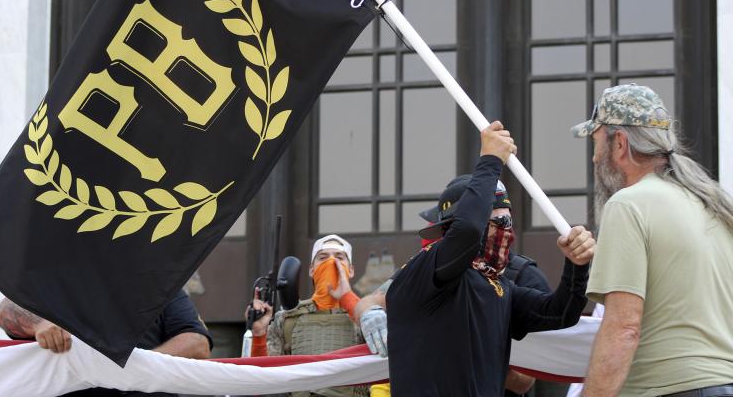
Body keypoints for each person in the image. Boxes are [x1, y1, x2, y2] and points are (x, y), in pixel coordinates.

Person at [353, 121, 595, 396]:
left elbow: (561, 313)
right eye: (496, 222)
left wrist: (577, 265)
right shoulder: (426, 269)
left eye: (508, 221)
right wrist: (490, 160)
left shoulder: (501, 288)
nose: (505, 230)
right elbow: (467, 232)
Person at [571, 83, 733, 397]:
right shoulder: (715, 205)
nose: (594, 158)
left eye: (596, 143)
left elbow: (623, 328)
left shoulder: (628, 205)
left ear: (619, 143)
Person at [419, 179, 552, 397]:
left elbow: (524, 381)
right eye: (446, 228)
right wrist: (371, 311)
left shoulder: (523, 277)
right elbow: (380, 298)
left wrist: (465, 356)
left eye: (453, 228)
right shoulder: (433, 268)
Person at [0, 290, 212, 397]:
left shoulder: (160, 284)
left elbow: (198, 344)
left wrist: (134, 368)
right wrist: (39, 323)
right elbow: (7, 312)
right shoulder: (55, 279)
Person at [247, 234, 368, 397]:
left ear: (351, 270)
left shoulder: (367, 318)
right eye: (323, 258)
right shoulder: (287, 319)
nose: (331, 262)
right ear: (312, 270)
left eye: (339, 258)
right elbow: (264, 380)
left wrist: (350, 302)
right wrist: (259, 333)